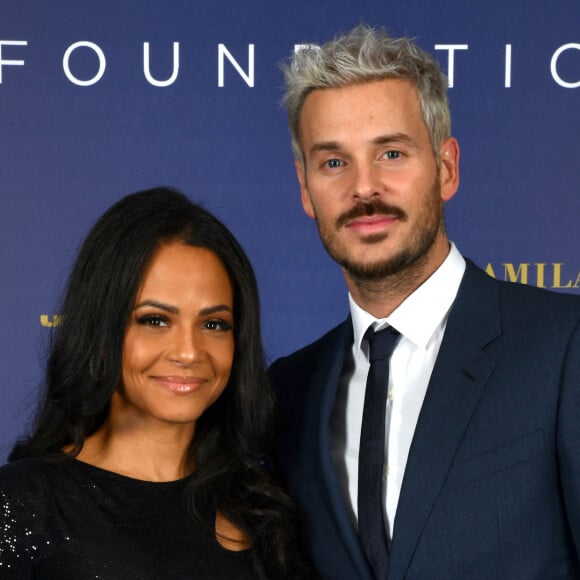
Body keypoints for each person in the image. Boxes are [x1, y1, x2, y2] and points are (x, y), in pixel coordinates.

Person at [270, 24, 580, 579]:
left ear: (446, 168)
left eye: (391, 152)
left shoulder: (563, 347)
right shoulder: (288, 390)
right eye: (333, 162)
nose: (364, 188)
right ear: (304, 188)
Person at [0, 187, 313, 579]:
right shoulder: (24, 504)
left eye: (213, 324)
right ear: (101, 333)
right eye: (155, 321)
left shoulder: (265, 505)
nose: (188, 352)